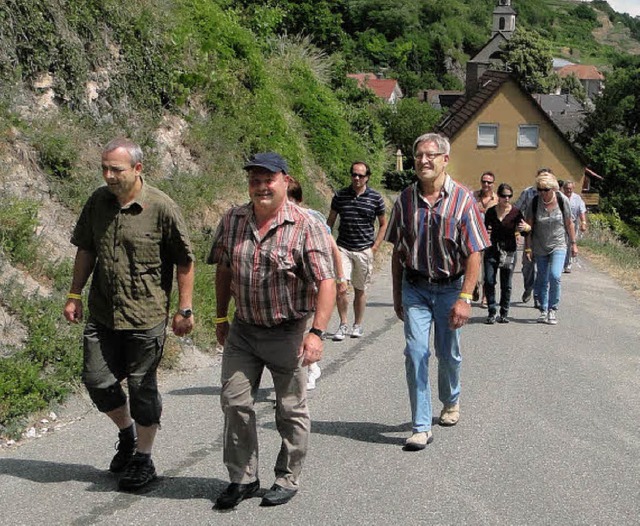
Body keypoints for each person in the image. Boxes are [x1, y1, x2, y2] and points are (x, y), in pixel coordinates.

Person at [63, 137, 195, 491]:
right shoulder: (97, 202)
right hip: (103, 312)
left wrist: (185, 308)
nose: (108, 175)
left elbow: (185, 260)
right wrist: (75, 293)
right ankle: (127, 434)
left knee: (142, 388)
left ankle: (144, 458)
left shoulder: (161, 207)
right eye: (104, 168)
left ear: (138, 169)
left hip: (146, 315)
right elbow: (86, 249)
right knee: (97, 380)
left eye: (116, 169)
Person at [208, 152, 335, 509]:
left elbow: (327, 281)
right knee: (234, 402)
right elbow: (223, 270)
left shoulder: (304, 224)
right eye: (255, 180)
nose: (261, 186)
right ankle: (243, 478)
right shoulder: (232, 219)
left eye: (268, 180)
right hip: (244, 331)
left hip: (288, 330)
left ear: (285, 181)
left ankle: (287, 477)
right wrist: (220, 317)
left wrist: (317, 334)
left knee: (290, 409)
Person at [385, 133, 490, 451]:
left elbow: (475, 252)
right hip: (414, 286)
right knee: (416, 353)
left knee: (448, 354)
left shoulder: (463, 200)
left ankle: (451, 400)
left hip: (450, 288)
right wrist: (396, 294)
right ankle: (420, 425)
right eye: (418, 155)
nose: (423, 161)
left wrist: (465, 298)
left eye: (430, 155)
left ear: (445, 159)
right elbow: (397, 252)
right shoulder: (404, 200)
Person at [287, 178, 348, 390]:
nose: (287, 204)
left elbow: (334, 249)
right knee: (290, 337)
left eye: (291, 199)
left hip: (313, 286)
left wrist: (340, 277)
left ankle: (307, 372)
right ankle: (300, 374)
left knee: (301, 331)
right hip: (289, 291)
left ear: (299, 200)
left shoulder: (313, 219)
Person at [326, 161, 387, 340]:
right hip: (343, 248)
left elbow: (383, 224)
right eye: (354, 174)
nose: (356, 178)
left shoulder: (375, 198)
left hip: (364, 249)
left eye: (360, 175)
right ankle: (343, 324)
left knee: (360, 289)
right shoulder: (340, 195)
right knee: (341, 287)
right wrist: (329, 243)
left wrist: (375, 247)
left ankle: (357, 325)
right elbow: (330, 221)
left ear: (367, 177)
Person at [524, 171, 577, 325]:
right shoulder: (534, 202)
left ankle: (552, 309)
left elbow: (569, 223)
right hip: (540, 246)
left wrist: (573, 244)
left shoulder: (562, 200)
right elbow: (528, 227)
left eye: (545, 190)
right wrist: (528, 248)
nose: (542, 193)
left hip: (559, 243)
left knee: (555, 275)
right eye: (539, 189)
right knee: (542, 278)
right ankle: (543, 309)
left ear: (553, 189)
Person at [483, 183, 526, 324]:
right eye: (503, 196)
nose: (506, 199)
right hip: (492, 249)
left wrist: (525, 228)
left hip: (509, 250)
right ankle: (491, 311)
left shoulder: (516, 212)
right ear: (498, 196)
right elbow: (483, 229)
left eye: (509, 196)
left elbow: (524, 230)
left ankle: (504, 312)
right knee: (489, 281)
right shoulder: (490, 212)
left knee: (506, 283)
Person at [514, 168, 550, 308]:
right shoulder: (528, 192)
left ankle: (539, 296)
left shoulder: (555, 195)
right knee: (527, 266)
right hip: (529, 236)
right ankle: (529, 287)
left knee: (543, 269)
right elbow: (516, 210)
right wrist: (518, 229)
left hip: (545, 239)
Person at [472, 171, 499, 306]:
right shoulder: (473, 196)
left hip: (490, 238)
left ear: (493, 184)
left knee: (488, 270)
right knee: (473, 265)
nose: (486, 184)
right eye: (484, 181)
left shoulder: (497, 199)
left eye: (489, 182)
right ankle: (474, 286)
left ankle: (486, 296)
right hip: (473, 236)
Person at [561, 179, 587, 273]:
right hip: (561, 224)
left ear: (573, 188)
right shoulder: (560, 197)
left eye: (570, 189)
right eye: (567, 189)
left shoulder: (577, 198)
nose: (569, 190)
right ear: (563, 189)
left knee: (571, 243)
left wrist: (583, 222)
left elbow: (581, 210)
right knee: (562, 243)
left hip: (573, 223)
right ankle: (559, 263)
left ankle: (568, 265)